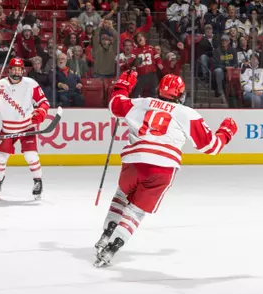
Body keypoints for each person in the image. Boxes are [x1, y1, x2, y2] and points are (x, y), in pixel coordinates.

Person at [93, 72, 238, 267]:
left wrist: (123, 85)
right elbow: (211, 147)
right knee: (136, 210)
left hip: (134, 162)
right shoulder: (187, 113)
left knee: (122, 194)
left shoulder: (141, 103)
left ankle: (107, 232)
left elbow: (115, 105)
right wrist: (225, 132)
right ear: (180, 94)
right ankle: (113, 248)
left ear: (158, 90)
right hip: (162, 169)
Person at [0, 58, 50, 201]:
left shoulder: (30, 84)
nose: (16, 72)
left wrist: (42, 112)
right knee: (0, 158)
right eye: (14, 69)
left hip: (27, 127)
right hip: (8, 129)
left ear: (23, 71)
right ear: (9, 70)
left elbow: (44, 102)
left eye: (19, 69)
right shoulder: (0, 85)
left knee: (30, 155)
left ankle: (38, 181)